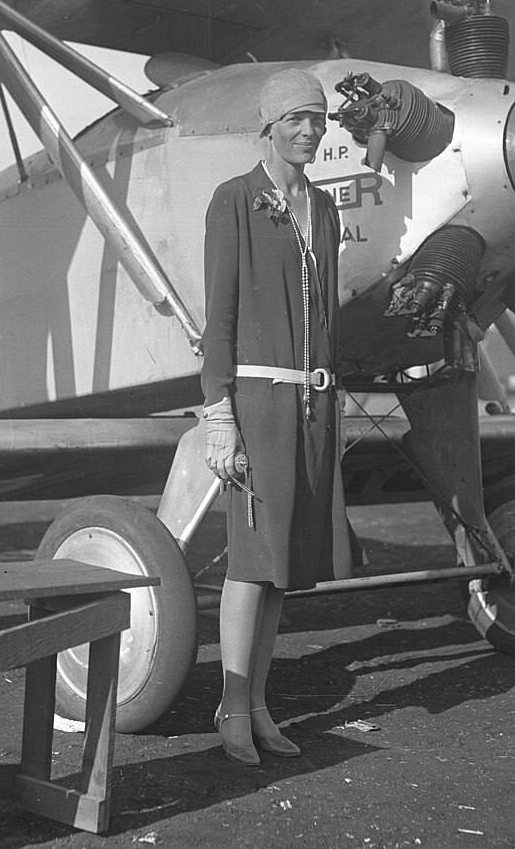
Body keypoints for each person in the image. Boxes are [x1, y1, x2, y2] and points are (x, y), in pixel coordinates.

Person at [201, 68, 358, 765]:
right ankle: (231, 706)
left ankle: (259, 704)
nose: (309, 130)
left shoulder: (323, 210)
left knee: (281, 568)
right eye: (296, 119)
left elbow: (325, 318)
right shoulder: (233, 200)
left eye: (317, 120)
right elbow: (220, 320)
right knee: (250, 559)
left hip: (313, 406)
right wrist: (218, 416)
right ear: (267, 126)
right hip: (257, 405)